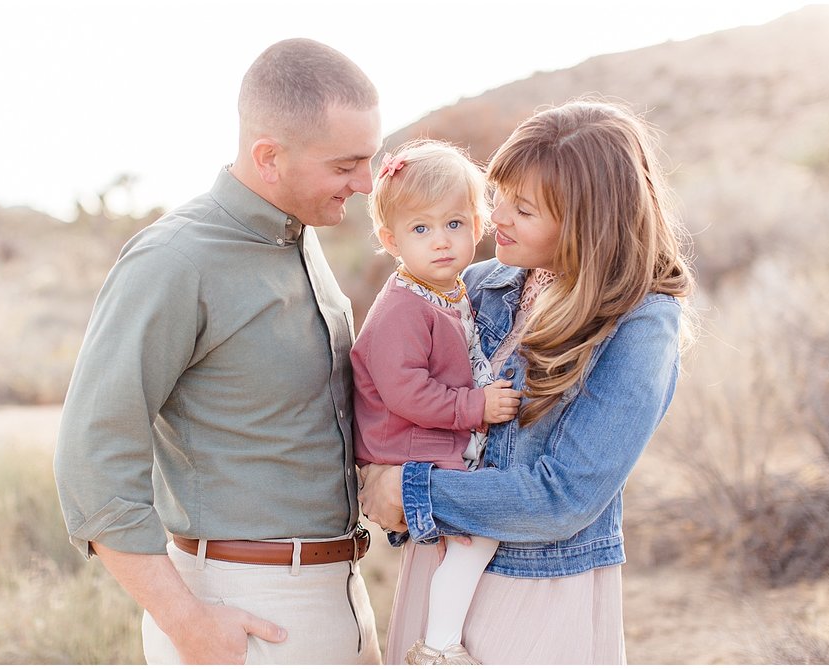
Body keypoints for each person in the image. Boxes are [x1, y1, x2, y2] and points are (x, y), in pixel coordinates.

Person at [54, 38, 383, 665]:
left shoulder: (300, 240)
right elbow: (91, 457)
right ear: (269, 157)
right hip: (242, 609)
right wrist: (187, 622)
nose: (364, 183)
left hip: (338, 592)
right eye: (345, 166)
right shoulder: (175, 260)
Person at [358, 99, 695, 664]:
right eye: (497, 197)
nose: (497, 219)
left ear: (587, 222)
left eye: (524, 209)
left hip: (536, 587)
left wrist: (410, 489)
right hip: (442, 562)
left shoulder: (639, 324)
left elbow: (563, 498)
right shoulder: (477, 284)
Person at [351, 140, 522, 665]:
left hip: (428, 439)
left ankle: (442, 638)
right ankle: (440, 646)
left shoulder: (447, 289)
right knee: (478, 538)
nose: (441, 241)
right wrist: (476, 408)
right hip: (408, 445)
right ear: (390, 239)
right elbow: (406, 392)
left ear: (478, 224)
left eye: (453, 224)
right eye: (420, 229)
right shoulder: (403, 306)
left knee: (468, 542)